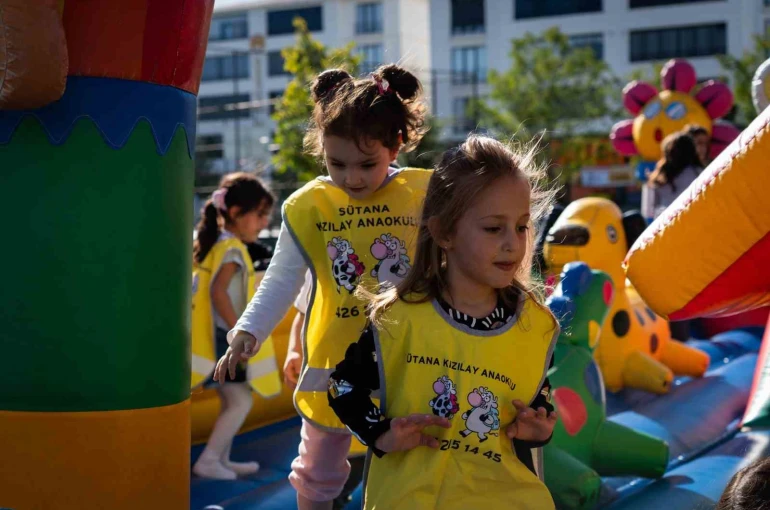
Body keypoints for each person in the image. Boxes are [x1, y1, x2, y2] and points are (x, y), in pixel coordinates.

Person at [213, 64, 432, 510]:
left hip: (410, 355)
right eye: (337, 164)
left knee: (415, 457)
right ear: (322, 151)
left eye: (367, 164)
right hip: (334, 358)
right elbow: (282, 278)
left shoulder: (422, 194)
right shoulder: (310, 206)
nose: (352, 178)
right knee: (316, 470)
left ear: (396, 146)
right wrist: (248, 330)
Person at [328, 135, 560, 510]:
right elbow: (342, 385)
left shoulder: (535, 325)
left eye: (521, 227)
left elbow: (537, 399)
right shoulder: (399, 318)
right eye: (493, 228)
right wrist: (381, 433)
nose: (513, 244)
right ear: (443, 233)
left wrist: (539, 428)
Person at [191, 172, 275, 479]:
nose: (264, 222)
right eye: (260, 214)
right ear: (237, 213)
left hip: (215, 336)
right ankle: (210, 460)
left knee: (232, 400)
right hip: (224, 338)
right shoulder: (232, 248)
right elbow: (218, 292)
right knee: (240, 400)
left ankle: (221, 460)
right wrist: (239, 331)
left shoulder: (217, 243)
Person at [641, 131, 703, 221]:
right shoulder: (698, 173)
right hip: (694, 221)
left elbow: (648, 211)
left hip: (666, 224)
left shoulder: (656, 177)